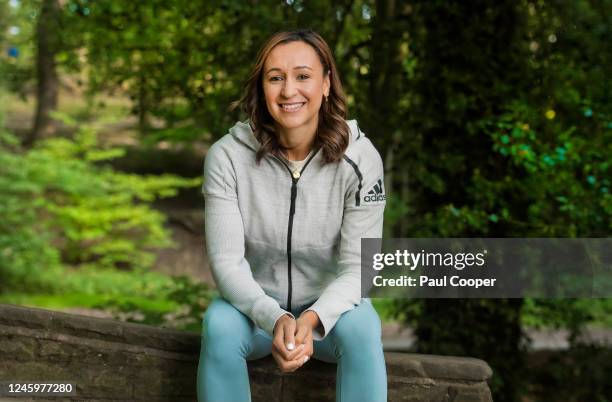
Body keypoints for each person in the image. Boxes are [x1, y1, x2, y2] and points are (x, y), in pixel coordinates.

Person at [197, 28, 387, 402]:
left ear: (327, 83)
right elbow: (227, 264)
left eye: (303, 76)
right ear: (261, 88)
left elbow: (360, 269)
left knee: (364, 325)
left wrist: (311, 319)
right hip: (256, 317)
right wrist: (277, 318)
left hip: (331, 319)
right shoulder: (227, 157)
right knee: (218, 322)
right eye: (275, 78)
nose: (288, 91)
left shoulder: (361, 159)